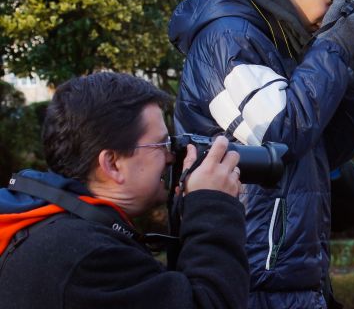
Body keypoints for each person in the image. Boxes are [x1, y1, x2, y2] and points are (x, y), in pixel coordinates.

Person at [168, 0, 354, 308]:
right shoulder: (229, 36)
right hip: (247, 278)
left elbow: (325, 152)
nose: (333, 16)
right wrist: (335, 50)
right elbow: (280, 135)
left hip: (291, 276)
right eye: (331, 0)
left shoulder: (287, 39)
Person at [0, 72, 249, 309]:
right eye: (162, 144)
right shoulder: (86, 258)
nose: (172, 156)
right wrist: (213, 206)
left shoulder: (49, 226)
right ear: (112, 164)